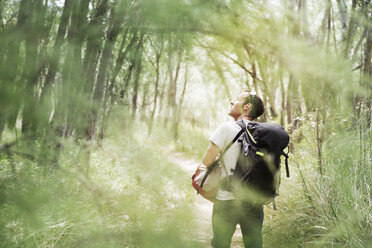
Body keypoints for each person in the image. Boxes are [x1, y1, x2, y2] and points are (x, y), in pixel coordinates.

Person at [201, 91, 265, 248]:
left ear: (246, 107)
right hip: (254, 201)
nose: (232, 101)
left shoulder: (226, 128)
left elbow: (206, 160)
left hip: (227, 200)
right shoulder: (264, 132)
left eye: (237, 99)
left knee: (220, 244)